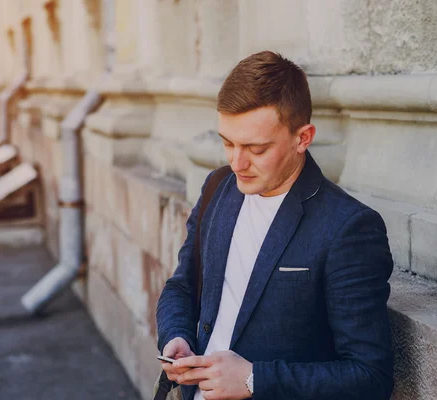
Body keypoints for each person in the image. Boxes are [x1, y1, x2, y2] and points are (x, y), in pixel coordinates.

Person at [156, 51, 394, 400]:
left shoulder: (349, 228)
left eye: (256, 148)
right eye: (227, 143)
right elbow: (182, 286)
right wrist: (177, 336)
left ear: (303, 138)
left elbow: (370, 377)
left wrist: (255, 379)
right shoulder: (216, 188)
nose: (237, 162)